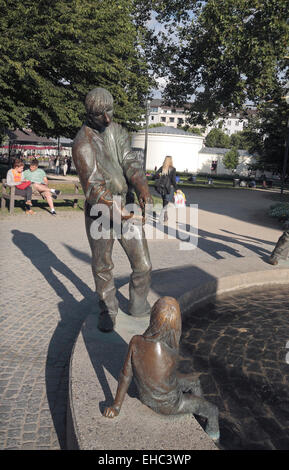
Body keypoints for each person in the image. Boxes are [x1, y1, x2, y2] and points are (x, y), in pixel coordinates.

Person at [72, 87, 153, 333]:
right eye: (100, 115)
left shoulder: (116, 130)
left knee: (144, 264)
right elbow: (94, 187)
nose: (107, 119)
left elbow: (130, 162)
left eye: (109, 111)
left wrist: (143, 189)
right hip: (101, 211)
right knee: (102, 265)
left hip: (125, 203)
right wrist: (115, 210)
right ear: (89, 114)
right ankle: (108, 310)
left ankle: (138, 305)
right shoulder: (81, 143)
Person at [103, 296, 220, 441]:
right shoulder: (170, 350)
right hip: (169, 405)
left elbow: (125, 375)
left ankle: (196, 408)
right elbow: (169, 380)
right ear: (176, 323)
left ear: (154, 316)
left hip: (146, 397)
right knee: (213, 411)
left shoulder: (136, 341)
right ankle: (213, 438)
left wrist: (116, 406)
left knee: (194, 380)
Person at [155, 156, 177, 223]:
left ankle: (165, 217)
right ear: (171, 161)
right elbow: (173, 180)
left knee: (165, 203)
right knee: (165, 204)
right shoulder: (172, 169)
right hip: (169, 188)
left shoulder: (162, 168)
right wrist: (177, 188)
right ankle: (161, 218)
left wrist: (159, 175)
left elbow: (155, 175)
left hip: (162, 188)